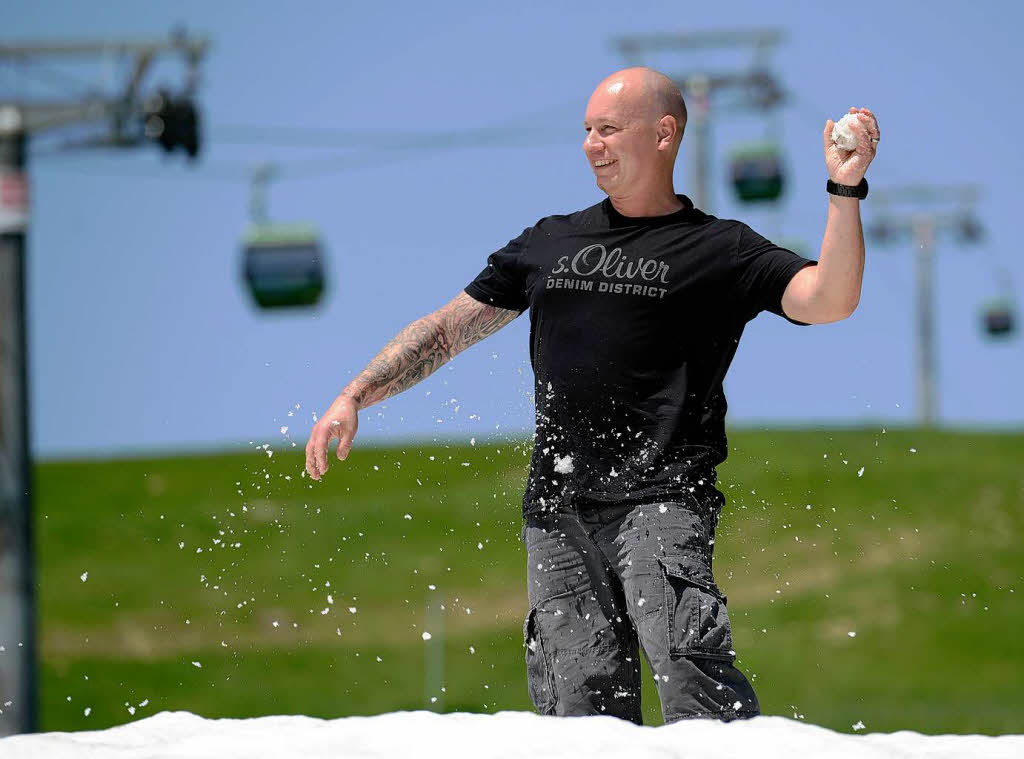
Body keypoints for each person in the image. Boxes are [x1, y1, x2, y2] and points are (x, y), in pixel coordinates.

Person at [305, 67, 878, 724]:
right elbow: (445, 329)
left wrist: (845, 189)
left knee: (698, 701)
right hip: (557, 515)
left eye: (608, 129)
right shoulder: (550, 242)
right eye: (586, 131)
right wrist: (356, 393)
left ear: (663, 134)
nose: (591, 144)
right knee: (581, 723)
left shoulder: (721, 249)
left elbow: (831, 299)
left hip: (662, 505)